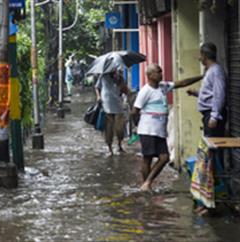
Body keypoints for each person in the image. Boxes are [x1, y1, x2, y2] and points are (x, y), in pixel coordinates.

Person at [132, 64, 203, 192]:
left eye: (161, 71)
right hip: (147, 129)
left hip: (159, 130)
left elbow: (182, 83)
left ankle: (147, 183)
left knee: (164, 157)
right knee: (147, 158)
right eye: (158, 72)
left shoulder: (163, 86)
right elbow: (134, 111)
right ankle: (146, 184)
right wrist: (138, 125)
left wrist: (202, 76)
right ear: (150, 75)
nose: (161, 74)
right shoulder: (145, 91)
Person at [187, 42, 226, 137]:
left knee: (213, 146)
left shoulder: (216, 71)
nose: (199, 58)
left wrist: (214, 117)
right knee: (209, 145)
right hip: (208, 114)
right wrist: (196, 93)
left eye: (200, 55)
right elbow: (210, 93)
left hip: (212, 113)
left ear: (204, 55)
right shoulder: (210, 71)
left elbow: (219, 94)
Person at [95, 69, 129, 156]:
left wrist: (120, 82)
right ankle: (110, 148)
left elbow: (126, 91)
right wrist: (98, 96)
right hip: (106, 106)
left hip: (118, 106)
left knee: (120, 129)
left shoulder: (120, 77)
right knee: (108, 129)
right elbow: (97, 87)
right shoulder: (103, 76)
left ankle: (119, 145)